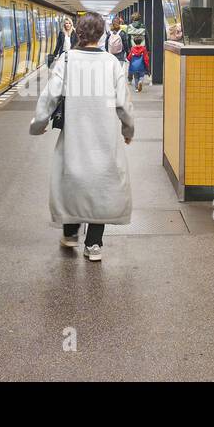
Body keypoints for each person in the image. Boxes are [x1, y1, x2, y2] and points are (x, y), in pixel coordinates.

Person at [29, 13, 135, 262]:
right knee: (102, 184)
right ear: (101, 35)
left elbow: (49, 97)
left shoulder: (66, 61)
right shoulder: (111, 63)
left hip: (74, 134)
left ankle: (70, 233)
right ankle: (94, 244)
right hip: (105, 135)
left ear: (78, 32)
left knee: (73, 179)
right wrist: (128, 130)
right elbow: (124, 104)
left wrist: (38, 125)